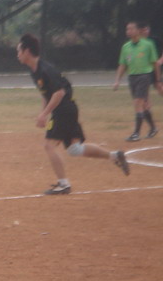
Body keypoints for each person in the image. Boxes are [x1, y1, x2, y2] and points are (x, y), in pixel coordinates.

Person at [17, 34, 129, 195]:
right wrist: (43, 113)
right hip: (66, 109)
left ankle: (63, 184)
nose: (18, 55)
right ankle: (115, 156)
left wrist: (45, 114)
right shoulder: (34, 71)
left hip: (64, 109)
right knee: (74, 149)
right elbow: (45, 94)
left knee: (49, 146)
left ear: (27, 51)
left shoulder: (45, 69)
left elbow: (59, 93)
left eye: (19, 51)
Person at [113, 22, 158, 141]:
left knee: (137, 103)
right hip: (132, 77)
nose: (128, 31)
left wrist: (157, 79)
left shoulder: (147, 44)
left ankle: (136, 134)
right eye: (127, 29)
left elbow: (154, 63)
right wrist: (117, 80)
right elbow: (122, 65)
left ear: (138, 30)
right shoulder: (126, 47)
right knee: (143, 105)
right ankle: (153, 128)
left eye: (131, 29)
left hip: (144, 76)